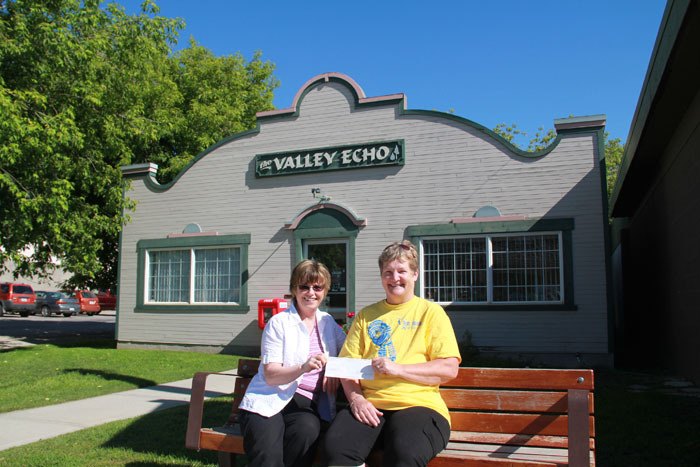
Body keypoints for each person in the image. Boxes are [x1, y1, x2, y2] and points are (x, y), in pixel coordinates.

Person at [323, 240, 461, 467]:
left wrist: (398, 369)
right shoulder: (366, 316)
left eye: (401, 271)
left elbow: (449, 368)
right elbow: (347, 367)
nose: (394, 278)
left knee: (404, 455)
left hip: (418, 405)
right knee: (336, 450)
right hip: (372, 405)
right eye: (388, 272)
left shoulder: (431, 313)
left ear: (415, 274)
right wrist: (357, 399)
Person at [238, 259, 347, 467]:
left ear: (325, 291)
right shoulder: (279, 324)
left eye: (318, 287)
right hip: (268, 399)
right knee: (268, 458)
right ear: (294, 289)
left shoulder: (328, 322)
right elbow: (271, 375)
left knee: (307, 431)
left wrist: (333, 369)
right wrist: (303, 367)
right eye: (304, 286)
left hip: (304, 405)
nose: (311, 292)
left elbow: (349, 351)